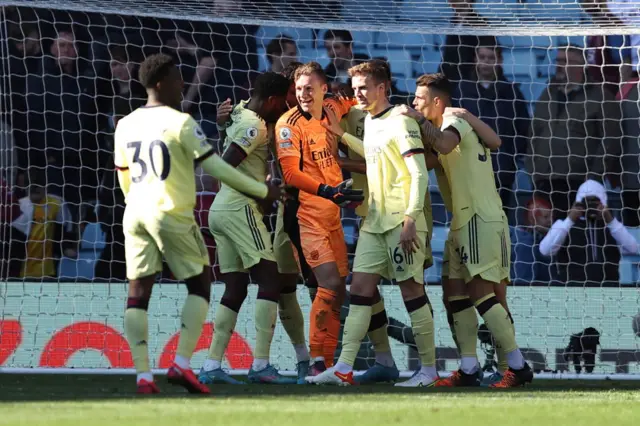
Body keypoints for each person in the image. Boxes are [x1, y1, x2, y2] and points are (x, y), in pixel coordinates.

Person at [114, 53, 283, 394]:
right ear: (162, 83)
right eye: (179, 79)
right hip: (180, 211)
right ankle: (193, 363)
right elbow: (220, 168)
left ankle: (148, 375)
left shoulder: (125, 123)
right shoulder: (181, 122)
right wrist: (263, 189)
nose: (183, 85)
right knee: (208, 285)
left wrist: (135, 203)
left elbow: (124, 177)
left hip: (134, 213)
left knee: (138, 293)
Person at [397, 73, 532, 388]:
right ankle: (469, 369)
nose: (414, 103)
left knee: (483, 293)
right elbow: (424, 160)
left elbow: (443, 144)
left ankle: (517, 365)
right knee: (453, 294)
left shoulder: (453, 124)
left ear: (437, 102)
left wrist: (417, 118)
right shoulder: (453, 125)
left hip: (478, 219)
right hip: (463, 222)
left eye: (419, 99)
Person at [310, 61, 436, 387]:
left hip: (401, 221)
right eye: (354, 90)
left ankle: (429, 370)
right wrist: (340, 133)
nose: (358, 94)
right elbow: (370, 151)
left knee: (412, 292)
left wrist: (411, 218)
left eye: (364, 88)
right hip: (374, 221)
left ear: (383, 88)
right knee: (360, 291)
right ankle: (343, 368)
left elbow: (419, 172)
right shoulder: (370, 121)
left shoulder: (401, 121)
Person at [197, 72, 301, 385]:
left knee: (236, 287)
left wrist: (219, 124)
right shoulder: (253, 124)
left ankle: (212, 365)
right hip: (240, 207)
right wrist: (262, 191)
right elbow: (223, 167)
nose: (283, 108)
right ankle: (260, 366)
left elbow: (227, 140)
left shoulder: (239, 109)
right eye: (282, 102)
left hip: (220, 209)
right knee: (270, 279)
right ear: (271, 100)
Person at [275, 62, 364, 376]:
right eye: (299, 88)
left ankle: (326, 365)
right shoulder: (288, 125)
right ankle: (316, 363)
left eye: (309, 87)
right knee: (327, 285)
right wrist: (326, 190)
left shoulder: (332, 107)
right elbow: (290, 173)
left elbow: (356, 98)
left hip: (333, 216)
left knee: (337, 289)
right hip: (307, 217)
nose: (303, 94)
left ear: (324, 88)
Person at [539, 179, 639, 285]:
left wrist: (610, 221)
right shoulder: (564, 225)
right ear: (578, 202)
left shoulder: (612, 227)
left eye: (595, 202)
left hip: (608, 288)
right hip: (573, 288)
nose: (590, 207)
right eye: (587, 202)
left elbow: (633, 248)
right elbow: (545, 250)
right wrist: (569, 220)